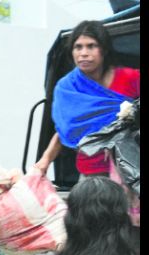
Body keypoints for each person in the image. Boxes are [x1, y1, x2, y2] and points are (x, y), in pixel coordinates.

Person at [34, 20, 140, 178]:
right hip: (91, 174)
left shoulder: (130, 78)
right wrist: (44, 162)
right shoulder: (67, 87)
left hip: (131, 173)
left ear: (103, 50)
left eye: (91, 46)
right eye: (78, 47)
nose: (84, 53)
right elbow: (65, 130)